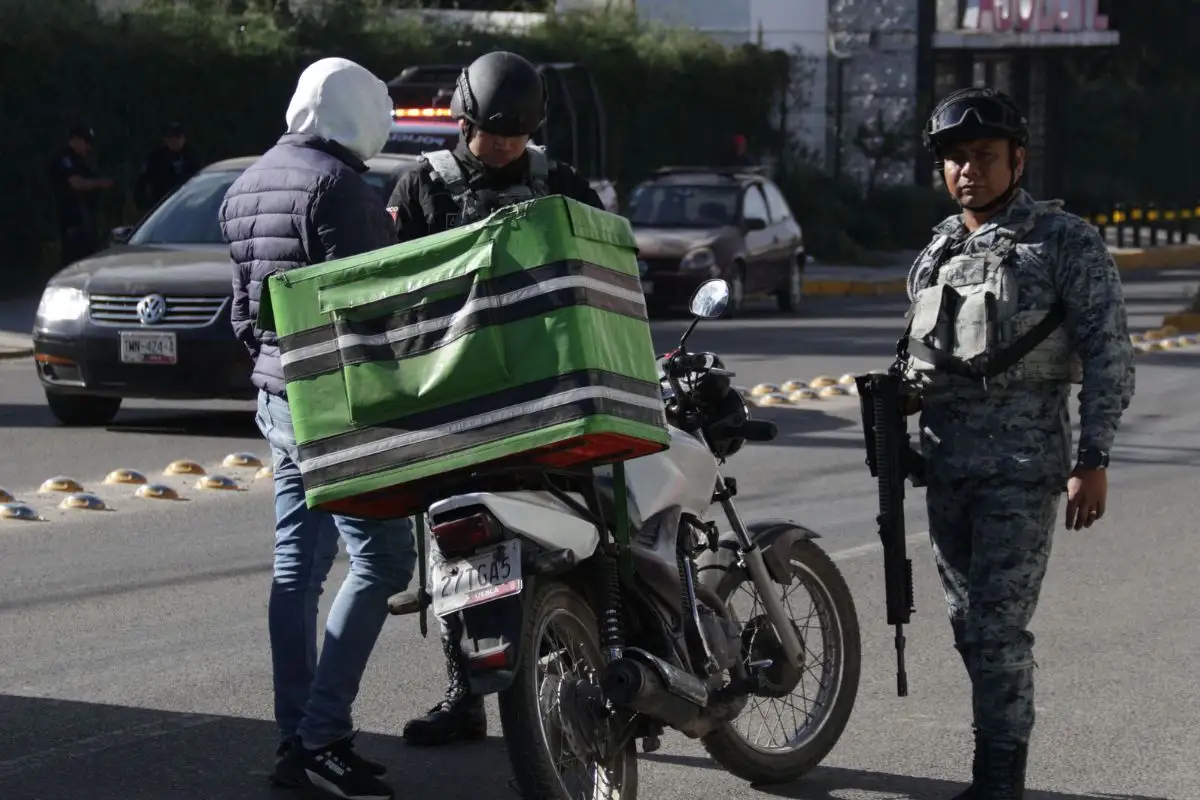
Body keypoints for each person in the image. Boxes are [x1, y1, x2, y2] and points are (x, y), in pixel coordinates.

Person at [901, 86, 1135, 799]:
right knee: (970, 628)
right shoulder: (938, 249)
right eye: (956, 159)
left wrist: (1092, 459)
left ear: (1018, 160)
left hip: (1023, 468)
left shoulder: (1063, 242)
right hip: (947, 467)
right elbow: (921, 357)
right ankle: (994, 766)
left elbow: (1108, 353)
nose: (968, 170)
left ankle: (998, 781)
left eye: (984, 156)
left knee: (999, 628)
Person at [388, 50, 605, 747]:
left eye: (516, 134)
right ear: (463, 117)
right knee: (460, 549)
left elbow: (604, 270)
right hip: (457, 399)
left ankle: (592, 677)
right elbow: (388, 293)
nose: (504, 146)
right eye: (491, 132)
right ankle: (465, 693)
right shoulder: (423, 187)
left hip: (551, 396)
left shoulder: (562, 183)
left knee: (576, 537)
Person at [218, 57, 415, 800]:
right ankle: (324, 736)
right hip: (337, 407)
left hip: (277, 399)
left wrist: (276, 372)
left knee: (297, 568)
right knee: (383, 561)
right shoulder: (338, 187)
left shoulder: (246, 184)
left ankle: (294, 738)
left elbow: (243, 313)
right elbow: (375, 309)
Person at [49, 123, 113, 266]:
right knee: (74, 259)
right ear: (75, 139)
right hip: (72, 218)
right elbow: (76, 183)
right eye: (86, 142)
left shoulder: (81, 161)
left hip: (86, 217)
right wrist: (100, 183)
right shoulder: (65, 158)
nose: (88, 147)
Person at [134, 121, 199, 213]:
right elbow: (141, 183)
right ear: (166, 140)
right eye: (171, 138)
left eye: (178, 138)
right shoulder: (156, 158)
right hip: (162, 206)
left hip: (187, 204)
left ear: (183, 139)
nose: (175, 141)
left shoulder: (191, 157)